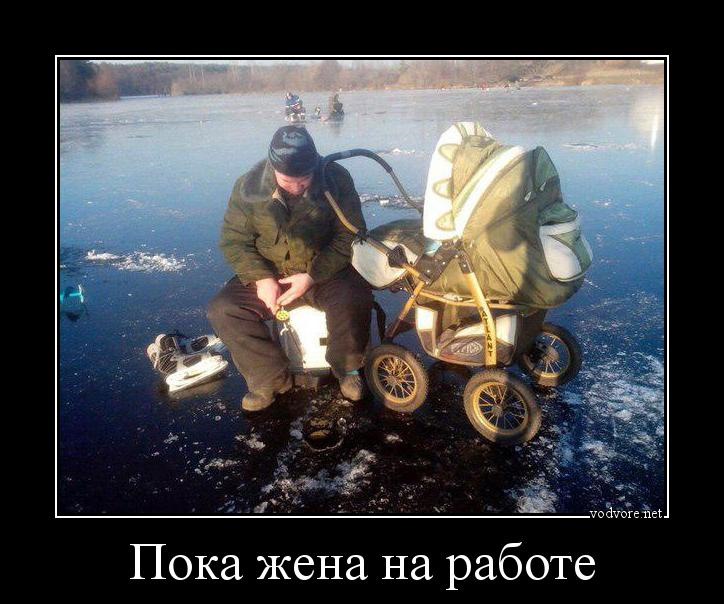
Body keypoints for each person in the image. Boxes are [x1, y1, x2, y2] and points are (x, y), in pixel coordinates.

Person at [207, 126, 373, 411]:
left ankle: (347, 369)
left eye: (304, 179)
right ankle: (268, 379)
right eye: (287, 181)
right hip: (272, 272)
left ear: (314, 166)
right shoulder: (248, 187)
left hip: (323, 270)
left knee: (355, 296)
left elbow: (351, 235)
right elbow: (234, 241)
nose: (297, 187)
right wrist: (261, 278)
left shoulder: (336, 179)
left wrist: (312, 276)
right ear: (274, 169)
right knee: (224, 310)